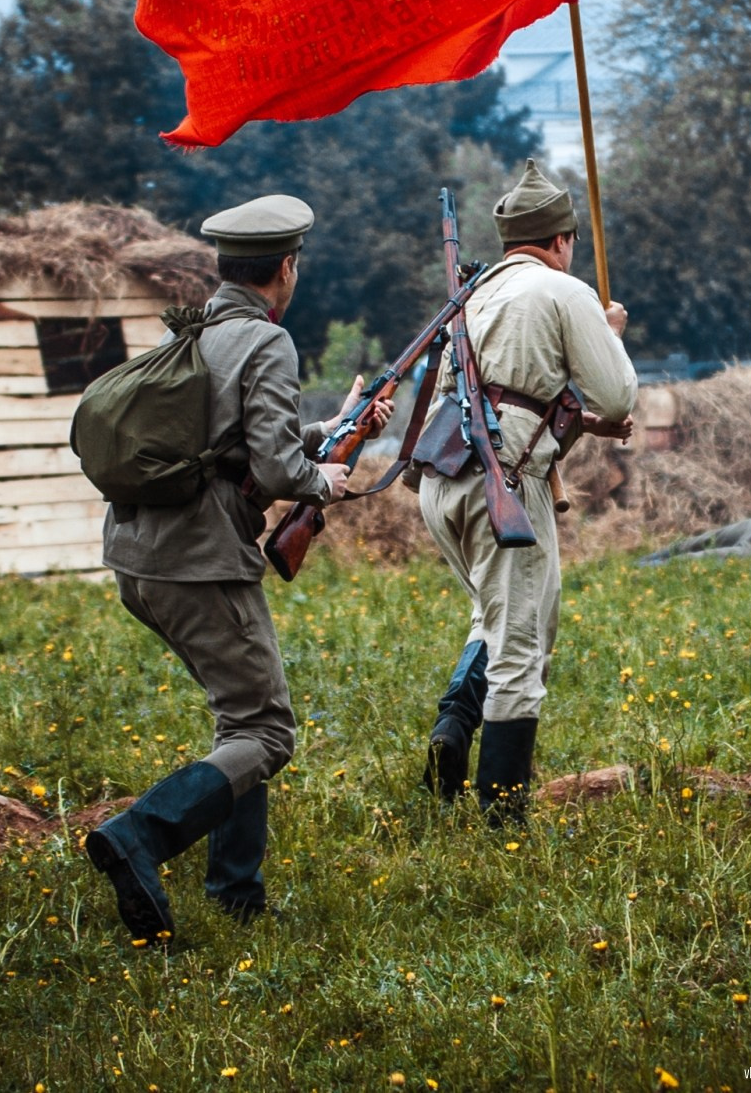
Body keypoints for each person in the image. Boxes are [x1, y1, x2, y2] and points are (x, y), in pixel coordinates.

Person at [85, 193, 390, 940]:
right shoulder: (265, 342)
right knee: (269, 734)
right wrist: (327, 480)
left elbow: (233, 436)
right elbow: (281, 470)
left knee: (240, 725)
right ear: (287, 267)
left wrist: (332, 429)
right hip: (198, 564)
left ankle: (236, 893)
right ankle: (140, 837)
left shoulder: (200, 333)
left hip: (139, 560)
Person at [417, 160, 637, 820]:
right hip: (502, 480)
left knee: (503, 615)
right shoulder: (563, 292)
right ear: (562, 239)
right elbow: (618, 393)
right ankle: (502, 820)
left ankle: (455, 727)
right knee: (521, 645)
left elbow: (506, 392)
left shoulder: (473, 293)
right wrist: (609, 334)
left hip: (444, 478)